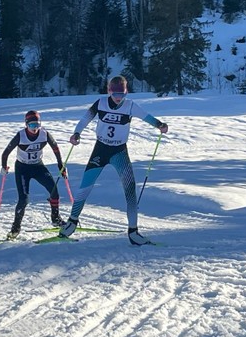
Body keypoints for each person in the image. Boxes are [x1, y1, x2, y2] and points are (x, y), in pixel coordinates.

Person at [59, 75, 168, 245]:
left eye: (122, 94)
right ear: (109, 91)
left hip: (119, 152)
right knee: (85, 187)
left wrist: (160, 125)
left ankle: (133, 232)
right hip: (100, 150)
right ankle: (72, 223)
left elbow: (147, 117)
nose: (118, 98)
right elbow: (85, 119)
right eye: (115, 94)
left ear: (126, 92)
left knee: (130, 190)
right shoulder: (101, 103)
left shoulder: (130, 105)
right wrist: (76, 133)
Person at [1, 110, 67, 239]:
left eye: (37, 124)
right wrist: (4, 167)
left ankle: (55, 219)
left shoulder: (44, 134)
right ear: (26, 125)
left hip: (38, 167)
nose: (35, 128)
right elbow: (5, 153)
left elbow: (56, 149)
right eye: (31, 125)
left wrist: (61, 165)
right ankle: (15, 228)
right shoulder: (20, 135)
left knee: (54, 191)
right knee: (24, 199)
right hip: (22, 169)